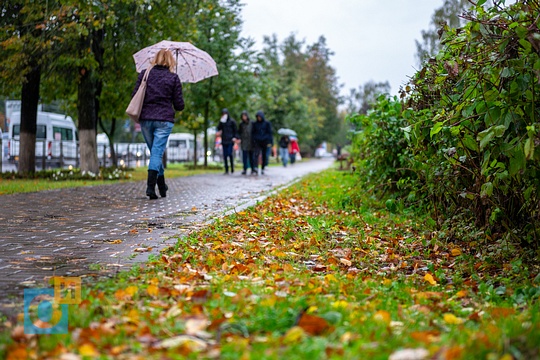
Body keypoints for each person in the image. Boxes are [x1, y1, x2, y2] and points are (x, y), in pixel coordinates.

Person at [131, 49, 184, 200]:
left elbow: (134, 95)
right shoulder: (173, 78)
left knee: (155, 152)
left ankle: (161, 186)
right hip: (164, 121)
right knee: (156, 153)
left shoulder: (144, 74)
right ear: (170, 61)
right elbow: (179, 105)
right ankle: (150, 187)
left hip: (146, 119)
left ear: (156, 58)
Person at [217, 108, 238, 174]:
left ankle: (232, 168)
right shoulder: (222, 122)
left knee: (230, 154)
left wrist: (235, 137)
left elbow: (235, 130)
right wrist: (221, 121)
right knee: (225, 155)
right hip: (224, 140)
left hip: (230, 140)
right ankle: (226, 169)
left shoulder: (232, 121)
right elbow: (218, 128)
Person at [252, 110, 272, 175]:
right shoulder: (255, 124)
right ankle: (255, 167)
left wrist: (269, 141)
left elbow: (269, 133)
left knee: (264, 155)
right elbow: (253, 132)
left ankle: (263, 167)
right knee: (256, 154)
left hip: (264, 141)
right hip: (257, 141)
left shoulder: (267, 123)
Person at [238, 111, 256, 175]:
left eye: (245, 116)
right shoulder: (241, 124)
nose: (244, 117)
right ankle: (245, 169)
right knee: (244, 157)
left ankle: (253, 168)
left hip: (251, 142)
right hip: (244, 142)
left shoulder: (252, 123)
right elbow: (239, 133)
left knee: (252, 157)